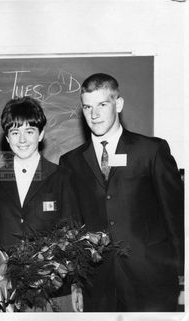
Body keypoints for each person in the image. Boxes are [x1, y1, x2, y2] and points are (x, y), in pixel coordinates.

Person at [59, 73, 184, 312]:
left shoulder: (151, 150)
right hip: (98, 285)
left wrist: (181, 272)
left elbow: (175, 215)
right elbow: (72, 227)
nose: (93, 115)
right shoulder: (70, 162)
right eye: (87, 107)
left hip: (152, 280)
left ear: (118, 104)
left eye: (102, 105)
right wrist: (76, 283)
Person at [0, 96, 83, 312]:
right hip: (5, 292)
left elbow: (71, 235)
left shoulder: (61, 177)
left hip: (53, 292)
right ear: (7, 138)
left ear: (41, 134)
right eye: (15, 132)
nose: (22, 139)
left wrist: (70, 283)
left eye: (29, 131)